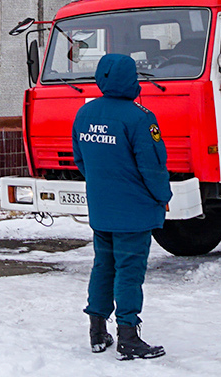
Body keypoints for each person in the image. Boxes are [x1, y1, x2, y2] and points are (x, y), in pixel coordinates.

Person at [71, 53, 170, 360]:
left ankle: (98, 331)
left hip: (102, 208)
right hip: (134, 210)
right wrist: (162, 196)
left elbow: (81, 160)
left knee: (104, 265)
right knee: (129, 271)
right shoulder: (140, 118)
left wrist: (103, 186)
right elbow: (152, 166)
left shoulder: (84, 114)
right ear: (131, 80)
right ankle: (128, 335)